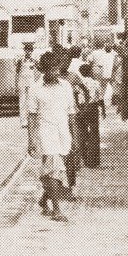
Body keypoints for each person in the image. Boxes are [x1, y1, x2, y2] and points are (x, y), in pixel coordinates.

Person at [26, 51, 76, 222]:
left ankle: (43, 199)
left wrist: (74, 136)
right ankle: (56, 210)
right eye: (51, 70)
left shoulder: (66, 87)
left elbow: (71, 114)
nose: (54, 73)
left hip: (63, 133)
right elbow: (31, 116)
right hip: (45, 133)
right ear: (44, 70)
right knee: (54, 169)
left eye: (57, 69)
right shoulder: (34, 89)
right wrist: (31, 140)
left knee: (57, 170)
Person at [59, 49, 89, 200]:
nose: (66, 63)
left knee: (71, 153)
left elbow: (85, 90)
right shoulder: (54, 77)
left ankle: (69, 187)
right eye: (63, 60)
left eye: (68, 61)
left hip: (72, 118)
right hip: (57, 120)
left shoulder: (73, 76)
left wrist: (84, 108)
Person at [78, 63, 102, 168]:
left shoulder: (79, 83)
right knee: (94, 134)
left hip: (82, 108)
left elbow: (76, 96)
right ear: (90, 72)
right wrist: (103, 110)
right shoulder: (95, 83)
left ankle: (85, 158)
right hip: (93, 108)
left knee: (82, 133)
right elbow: (100, 98)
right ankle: (94, 160)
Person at [90, 41, 116, 117]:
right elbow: (111, 65)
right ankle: (101, 107)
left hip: (95, 74)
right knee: (102, 91)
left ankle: (98, 105)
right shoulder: (108, 54)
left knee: (96, 90)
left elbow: (90, 61)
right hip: (103, 74)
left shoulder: (94, 52)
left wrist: (91, 72)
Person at [16, 42, 38, 129]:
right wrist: (16, 84)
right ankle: (23, 122)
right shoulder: (20, 61)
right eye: (27, 50)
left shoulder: (34, 61)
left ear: (32, 51)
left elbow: (39, 69)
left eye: (30, 50)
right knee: (22, 102)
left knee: (30, 101)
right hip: (22, 81)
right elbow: (17, 73)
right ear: (24, 51)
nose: (28, 52)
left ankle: (30, 121)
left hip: (31, 82)